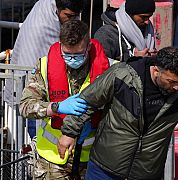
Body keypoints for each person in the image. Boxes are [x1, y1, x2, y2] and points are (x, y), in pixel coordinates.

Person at [57, 47, 178, 179]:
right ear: (156, 70)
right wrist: (69, 132)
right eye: (171, 81)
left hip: (146, 172)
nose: (176, 86)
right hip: (106, 167)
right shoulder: (122, 75)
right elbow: (87, 100)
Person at [19, 20, 110, 179]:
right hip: (51, 159)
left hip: (92, 158)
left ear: (88, 47)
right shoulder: (45, 66)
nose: (73, 59)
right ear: (60, 45)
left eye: (78, 54)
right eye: (67, 54)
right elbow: (25, 106)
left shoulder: (109, 68)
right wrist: (56, 107)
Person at [6, 0, 84, 139]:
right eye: (69, 15)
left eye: (75, 16)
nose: (73, 20)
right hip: (35, 87)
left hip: (51, 98)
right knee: (36, 131)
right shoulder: (42, 25)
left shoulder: (47, 8)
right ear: (57, 9)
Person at [94, 0, 157, 64]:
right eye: (143, 17)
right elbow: (102, 66)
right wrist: (134, 60)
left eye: (149, 17)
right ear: (129, 15)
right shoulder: (106, 35)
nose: (147, 22)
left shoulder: (147, 30)